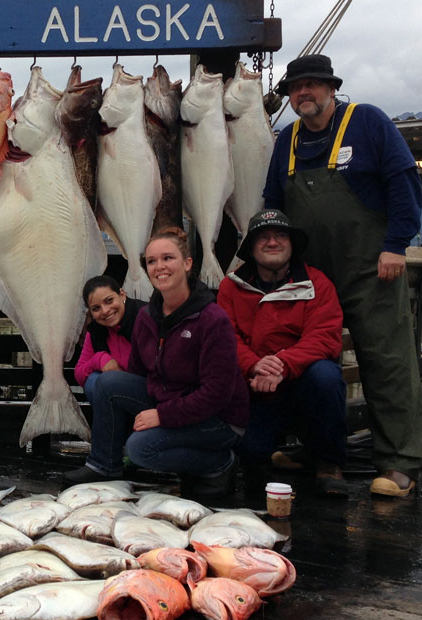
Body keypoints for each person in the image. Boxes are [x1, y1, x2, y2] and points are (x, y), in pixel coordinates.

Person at [263, 54, 422, 497]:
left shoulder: (367, 121)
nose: (303, 94)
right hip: (311, 277)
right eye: (295, 88)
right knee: (311, 365)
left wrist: (395, 245)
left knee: (387, 362)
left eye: (312, 85)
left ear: (332, 88)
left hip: (372, 269)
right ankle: (316, 449)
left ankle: (400, 462)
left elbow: (404, 183)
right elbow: (273, 204)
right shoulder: (286, 140)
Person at [64, 227, 248, 497]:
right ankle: (105, 465)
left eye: (168, 258)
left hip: (218, 419)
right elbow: (139, 377)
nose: (159, 266)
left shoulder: (212, 319)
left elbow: (216, 394)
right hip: (170, 402)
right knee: (108, 382)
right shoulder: (148, 317)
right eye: (152, 261)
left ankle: (220, 464)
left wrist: (162, 416)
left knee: (141, 448)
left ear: (187, 264)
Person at [218, 210, 348, 496]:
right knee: (252, 458)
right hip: (255, 390)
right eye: (263, 237)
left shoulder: (317, 283)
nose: (272, 242)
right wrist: (253, 366)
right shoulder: (230, 286)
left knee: (326, 375)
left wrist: (281, 364)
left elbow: (324, 337)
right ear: (251, 248)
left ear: (292, 244)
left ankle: (329, 463)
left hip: (301, 386)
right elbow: (226, 338)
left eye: (280, 236)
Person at [64, 275, 146, 484]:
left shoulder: (145, 320)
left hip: (154, 396)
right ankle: (107, 462)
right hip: (119, 401)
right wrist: (101, 359)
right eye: (96, 308)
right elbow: (80, 372)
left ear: (122, 294)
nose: (105, 311)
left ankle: (104, 462)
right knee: (95, 381)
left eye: (109, 301)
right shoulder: (96, 332)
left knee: (107, 382)